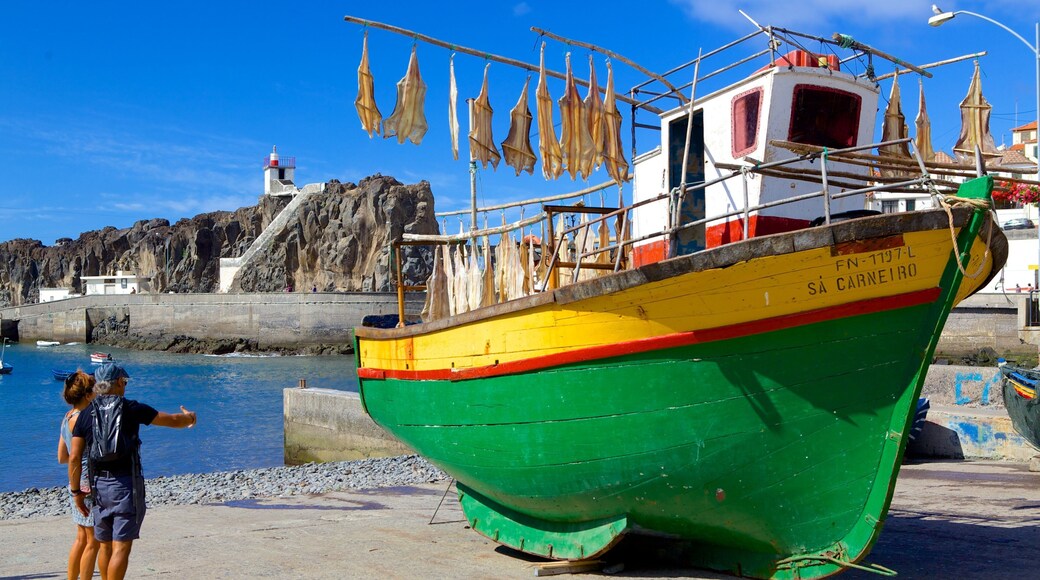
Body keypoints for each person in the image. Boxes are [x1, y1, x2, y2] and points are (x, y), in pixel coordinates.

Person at [67, 363, 197, 580]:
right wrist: (190, 418)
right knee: (121, 548)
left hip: (98, 487)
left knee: (105, 546)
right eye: (124, 382)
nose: (125, 386)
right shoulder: (132, 408)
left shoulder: (85, 414)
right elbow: (172, 420)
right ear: (118, 382)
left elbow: (73, 458)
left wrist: (76, 493)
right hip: (125, 486)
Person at [58, 370, 99, 580]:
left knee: (81, 538)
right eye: (93, 390)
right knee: (93, 541)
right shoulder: (84, 419)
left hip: (73, 481)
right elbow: (73, 457)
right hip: (86, 483)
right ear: (87, 395)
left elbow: (62, 457)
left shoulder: (67, 418)